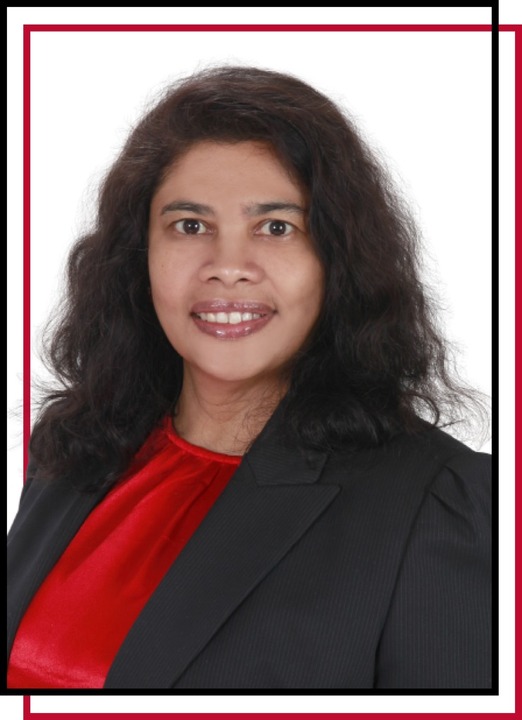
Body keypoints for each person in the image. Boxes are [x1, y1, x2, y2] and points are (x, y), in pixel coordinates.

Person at [7, 65, 491, 690]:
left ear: (336, 259)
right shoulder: (75, 449)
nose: (228, 266)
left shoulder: (436, 503)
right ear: (139, 254)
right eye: (190, 225)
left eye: (276, 228)